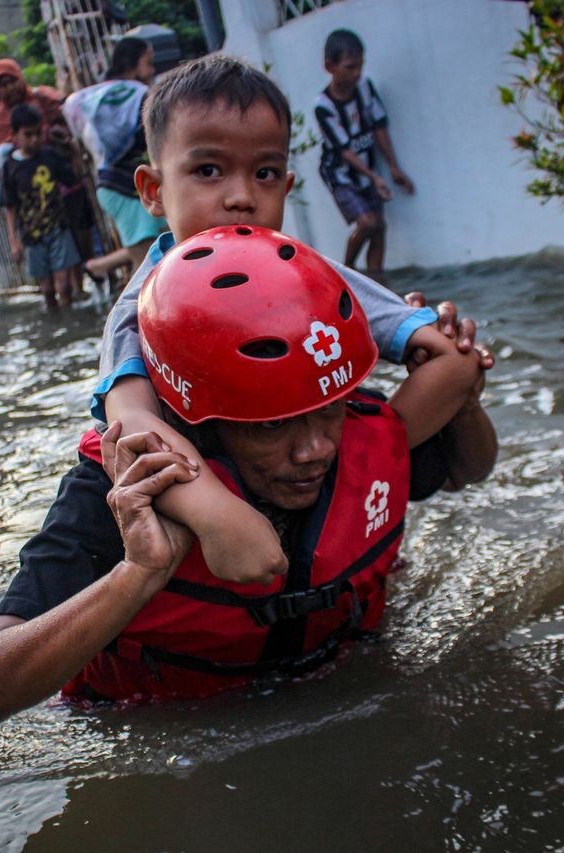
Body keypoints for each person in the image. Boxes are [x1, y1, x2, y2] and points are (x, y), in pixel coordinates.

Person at [0, 225, 496, 720]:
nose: (314, 449)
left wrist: (465, 401)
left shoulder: (357, 425)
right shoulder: (125, 491)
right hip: (168, 733)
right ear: (198, 424)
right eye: (270, 425)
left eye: (330, 408)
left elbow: (464, 471)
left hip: (346, 685)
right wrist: (140, 573)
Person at [88, 54, 493, 591]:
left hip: (328, 475)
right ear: (152, 191)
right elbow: (131, 424)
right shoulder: (145, 303)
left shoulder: (308, 277)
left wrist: (369, 455)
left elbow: (436, 349)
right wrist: (215, 514)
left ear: (288, 183)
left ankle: (349, 488)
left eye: (266, 173)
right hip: (221, 489)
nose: (241, 196)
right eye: (208, 170)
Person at [0, 57, 93, 298]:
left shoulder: (42, 100)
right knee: (48, 288)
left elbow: (68, 112)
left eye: (12, 80)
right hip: (32, 226)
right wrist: (15, 240)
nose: (9, 88)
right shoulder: (1, 128)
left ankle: (78, 293)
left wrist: (67, 145)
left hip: (59, 208)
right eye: (2, 84)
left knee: (70, 263)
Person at [62, 37, 167, 282]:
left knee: (151, 260)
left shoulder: (99, 95)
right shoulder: (140, 96)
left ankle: (103, 265)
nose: (152, 71)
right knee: (148, 269)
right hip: (127, 188)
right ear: (132, 64)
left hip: (114, 187)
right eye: (148, 63)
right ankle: (131, 317)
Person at [314, 29, 414, 274]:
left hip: (368, 169)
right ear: (330, 66)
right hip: (340, 174)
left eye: (360, 65)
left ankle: (376, 284)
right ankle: (346, 273)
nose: (357, 73)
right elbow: (344, 150)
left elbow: (380, 126)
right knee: (367, 222)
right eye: (350, 67)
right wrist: (376, 178)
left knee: (379, 227)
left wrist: (393, 167)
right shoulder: (324, 106)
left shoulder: (365, 88)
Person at [1, 104, 81, 308]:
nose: (34, 139)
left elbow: (72, 179)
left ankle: (67, 324)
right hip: (32, 236)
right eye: (28, 134)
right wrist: (14, 241)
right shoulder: (10, 166)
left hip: (58, 228)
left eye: (37, 133)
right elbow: (10, 206)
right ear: (15, 135)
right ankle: (56, 325)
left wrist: (73, 150)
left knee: (63, 287)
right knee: (46, 290)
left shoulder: (49, 156)